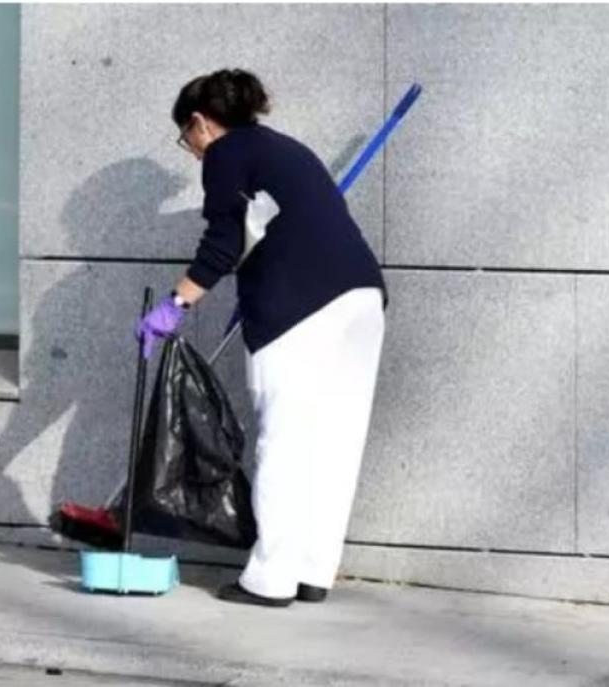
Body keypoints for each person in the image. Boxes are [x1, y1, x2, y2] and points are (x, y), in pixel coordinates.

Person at [135, 68, 388, 607]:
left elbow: (224, 241)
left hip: (299, 312)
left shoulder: (227, 153)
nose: (195, 152)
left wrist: (175, 304)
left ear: (201, 122)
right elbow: (274, 228)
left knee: (285, 438)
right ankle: (314, 571)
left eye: (189, 139)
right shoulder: (286, 149)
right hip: (362, 301)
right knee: (334, 442)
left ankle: (271, 578)